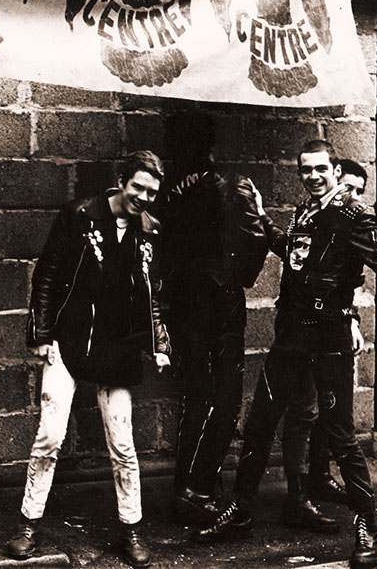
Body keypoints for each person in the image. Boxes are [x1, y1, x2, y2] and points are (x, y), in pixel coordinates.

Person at [195, 140, 377, 568]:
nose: (313, 176)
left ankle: (368, 529)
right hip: (292, 337)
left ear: (333, 170)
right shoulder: (305, 211)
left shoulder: (353, 213)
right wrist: (263, 217)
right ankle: (242, 510)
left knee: (341, 436)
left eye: (320, 169)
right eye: (305, 170)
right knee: (259, 423)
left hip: (328, 342)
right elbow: (293, 252)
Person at [5, 151, 171, 569]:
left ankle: (131, 527)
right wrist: (41, 335)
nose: (143, 197)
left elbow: (152, 296)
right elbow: (46, 273)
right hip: (70, 342)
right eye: (137, 187)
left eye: (152, 191)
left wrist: (159, 343)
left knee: (123, 443)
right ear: (121, 181)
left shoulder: (149, 231)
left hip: (118, 349)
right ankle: (28, 523)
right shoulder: (79, 215)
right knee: (50, 436)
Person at [156, 111, 268, 524]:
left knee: (197, 397)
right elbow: (256, 241)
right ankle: (197, 488)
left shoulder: (168, 192)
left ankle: (193, 486)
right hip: (218, 303)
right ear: (210, 146)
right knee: (222, 399)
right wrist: (238, 277)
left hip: (188, 305)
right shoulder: (229, 186)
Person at [286, 157, 369, 505]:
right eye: (347, 188)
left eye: (357, 192)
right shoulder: (311, 218)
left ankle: (319, 476)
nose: (350, 197)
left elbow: (346, 281)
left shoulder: (352, 223)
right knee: (303, 409)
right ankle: (297, 493)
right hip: (302, 327)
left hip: (331, 326)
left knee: (331, 411)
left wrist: (351, 319)